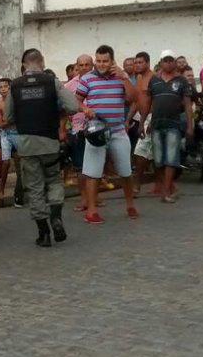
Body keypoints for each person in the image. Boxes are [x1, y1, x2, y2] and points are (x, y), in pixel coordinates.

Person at [6, 49, 79, 247]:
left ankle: (44, 233)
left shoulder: (15, 85)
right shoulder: (52, 81)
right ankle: (56, 217)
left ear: (24, 65)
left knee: (35, 188)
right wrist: (56, 112)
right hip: (50, 142)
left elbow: (8, 116)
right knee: (54, 180)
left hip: (27, 144)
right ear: (42, 62)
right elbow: (73, 106)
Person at [76, 44, 140, 223]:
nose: (101, 64)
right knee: (93, 173)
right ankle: (91, 211)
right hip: (96, 132)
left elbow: (133, 98)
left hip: (118, 131)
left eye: (105, 61)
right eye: (98, 61)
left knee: (125, 171)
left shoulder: (121, 77)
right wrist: (85, 109)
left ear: (112, 61)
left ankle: (130, 205)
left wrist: (124, 77)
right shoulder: (87, 79)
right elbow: (76, 100)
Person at [147, 50, 195, 202]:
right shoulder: (154, 80)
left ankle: (166, 192)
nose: (168, 63)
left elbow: (187, 105)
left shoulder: (182, 81)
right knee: (158, 160)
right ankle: (168, 188)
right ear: (161, 62)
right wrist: (143, 122)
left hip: (174, 124)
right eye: (165, 61)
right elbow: (148, 103)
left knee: (171, 159)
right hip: (156, 124)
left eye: (170, 60)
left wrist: (190, 126)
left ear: (175, 62)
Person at [65, 54, 94, 205]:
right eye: (80, 65)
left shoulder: (99, 81)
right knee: (80, 166)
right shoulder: (69, 86)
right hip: (77, 130)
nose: (84, 68)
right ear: (77, 67)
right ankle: (84, 198)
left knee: (95, 165)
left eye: (87, 65)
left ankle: (94, 197)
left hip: (96, 128)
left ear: (92, 66)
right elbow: (63, 108)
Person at [129, 52, 156, 195]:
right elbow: (136, 100)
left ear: (147, 63)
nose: (137, 65)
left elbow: (156, 101)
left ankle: (136, 185)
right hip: (141, 117)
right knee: (148, 153)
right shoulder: (138, 78)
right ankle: (163, 185)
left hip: (151, 117)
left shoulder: (154, 78)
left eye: (140, 62)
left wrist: (151, 121)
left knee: (141, 151)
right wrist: (127, 119)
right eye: (136, 62)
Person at [0, 77, 19, 200]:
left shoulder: (16, 101)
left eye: (5, 86)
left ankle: (19, 190)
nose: (3, 89)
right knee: (2, 162)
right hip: (3, 134)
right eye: (0, 87)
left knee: (19, 163)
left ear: (10, 88)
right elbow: (1, 123)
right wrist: (14, 120)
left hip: (17, 134)